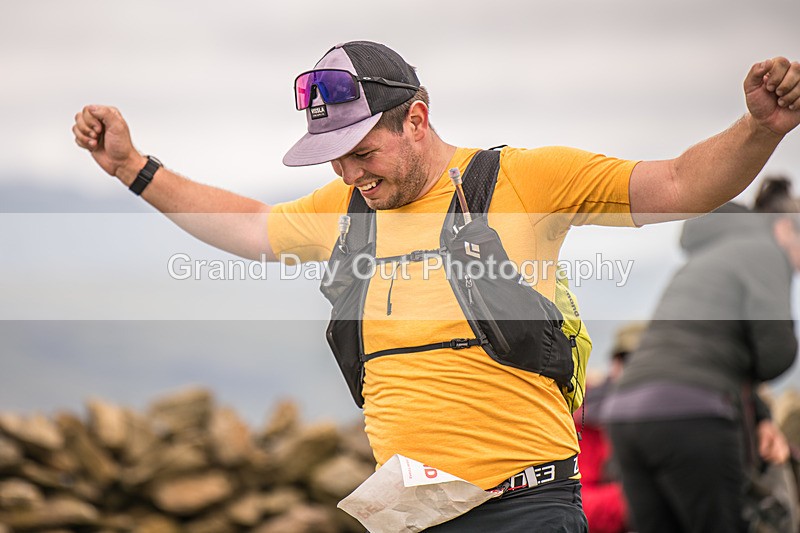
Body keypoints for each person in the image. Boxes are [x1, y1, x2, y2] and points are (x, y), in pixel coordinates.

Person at [71, 41, 800, 532]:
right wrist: (134, 167)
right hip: (409, 513)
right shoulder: (347, 208)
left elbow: (676, 182)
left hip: (527, 509)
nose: (351, 175)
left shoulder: (522, 179)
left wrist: (759, 130)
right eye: (333, 161)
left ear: (417, 117)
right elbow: (249, 226)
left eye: (363, 152)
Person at [602, 177, 800, 533]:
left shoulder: (713, 253)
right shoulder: (766, 250)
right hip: (690, 414)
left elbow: (701, 350)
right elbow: (776, 353)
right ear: (786, 228)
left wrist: (761, 416)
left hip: (626, 412)